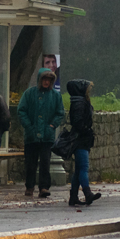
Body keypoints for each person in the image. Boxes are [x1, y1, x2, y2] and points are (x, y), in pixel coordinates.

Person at [18, 69, 64, 198]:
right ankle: (30, 186)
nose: (46, 82)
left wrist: (51, 126)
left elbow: (60, 113)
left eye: (48, 80)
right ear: (40, 80)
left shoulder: (55, 95)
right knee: (30, 163)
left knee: (45, 162)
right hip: (31, 136)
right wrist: (29, 127)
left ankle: (44, 187)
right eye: (44, 79)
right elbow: (21, 111)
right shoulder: (29, 94)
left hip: (47, 136)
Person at [66, 79, 101, 207]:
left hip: (81, 139)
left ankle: (73, 196)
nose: (89, 91)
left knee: (79, 169)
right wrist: (86, 130)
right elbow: (78, 122)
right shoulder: (80, 103)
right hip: (81, 140)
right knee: (84, 167)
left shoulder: (78, 102)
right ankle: (87, 193)